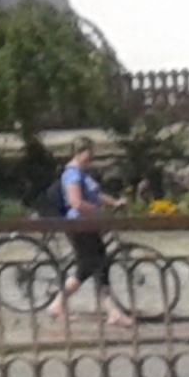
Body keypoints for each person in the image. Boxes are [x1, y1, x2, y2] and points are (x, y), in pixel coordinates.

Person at [44, 138, 132, 326]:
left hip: (86, 225)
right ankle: (113, 312)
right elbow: (76, 202)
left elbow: (96, 196)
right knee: (100, 265)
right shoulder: (72, 174)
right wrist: (96, 212)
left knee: (86, 269)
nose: (91, 157)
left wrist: (114, 203)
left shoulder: (82, 174)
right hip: (79, 226)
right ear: (79, 152)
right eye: (89, 153)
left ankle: (57, 305)